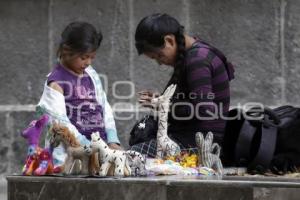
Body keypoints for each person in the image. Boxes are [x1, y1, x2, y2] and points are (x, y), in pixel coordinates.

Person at [130, 13, 235, 157]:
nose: (160, 62)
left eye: (159, 55)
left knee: (132, 156)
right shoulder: (194, 55)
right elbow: (191, 101)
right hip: (187, 137)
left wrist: (162, 105)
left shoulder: (198, 60)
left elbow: (204, 110)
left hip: (201, 144)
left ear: (169, 40)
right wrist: (161, 99)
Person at [36, 22, 121, 167]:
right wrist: (88, 147)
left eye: (92, 57)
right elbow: (60, 124)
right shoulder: (56, 83)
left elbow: (103, 107)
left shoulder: (91, 74)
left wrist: (112, 139)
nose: (88, 62)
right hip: (72, 155)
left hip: (101, 146)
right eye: (83, 57)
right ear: (66, 50)